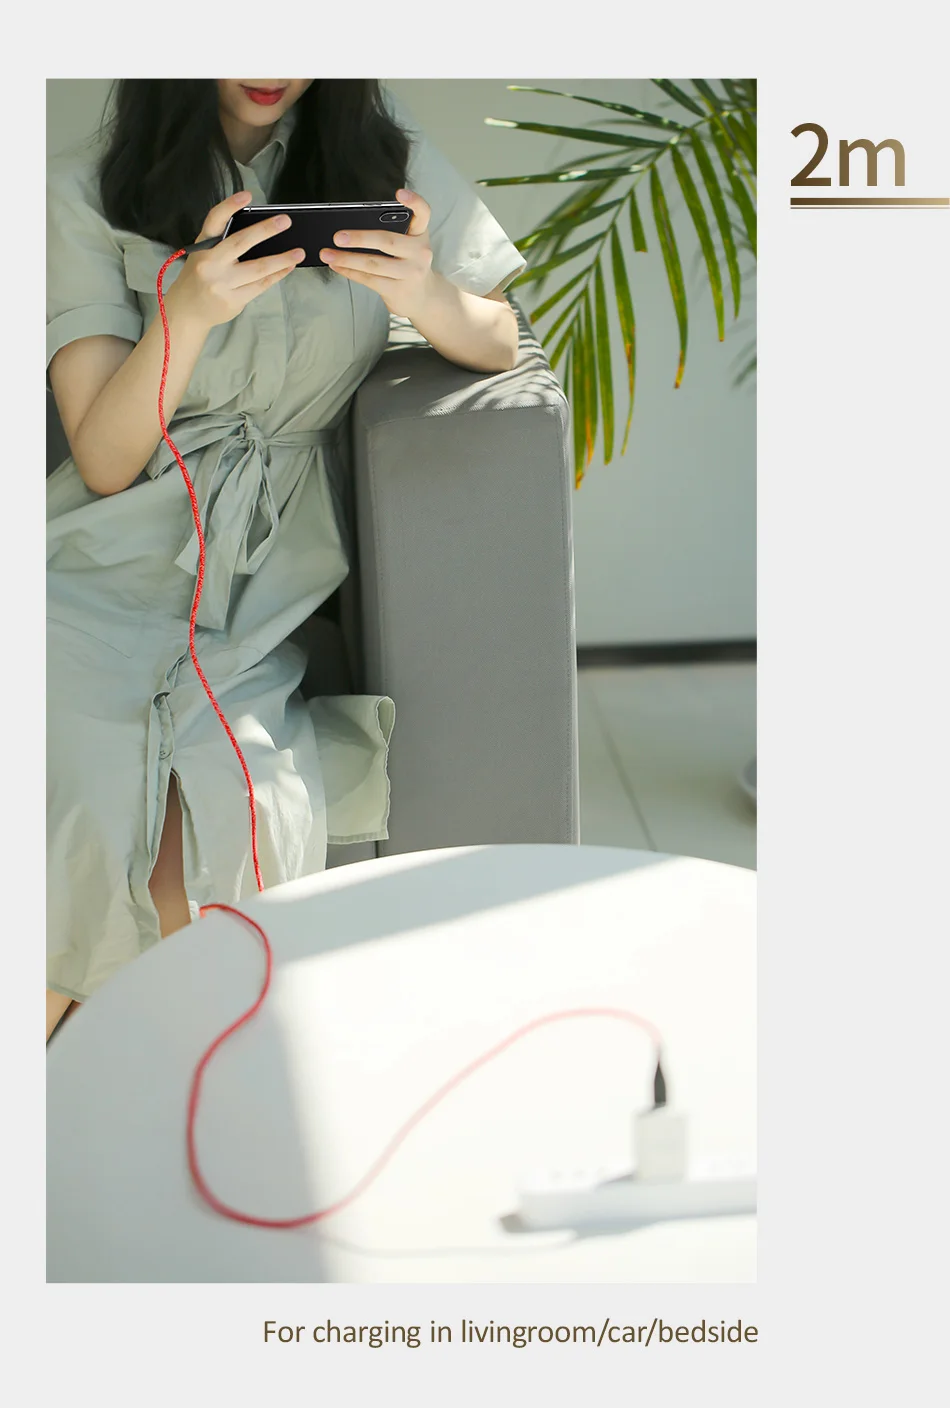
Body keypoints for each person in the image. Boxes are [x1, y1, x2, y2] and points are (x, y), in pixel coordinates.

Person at [46, 79, 525, 1041]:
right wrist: (186, 311)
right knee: (88, 804)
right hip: (97, 565)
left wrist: (420, 292)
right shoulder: (81, 188)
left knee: (223, 822)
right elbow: (103, 460)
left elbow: (500, 337)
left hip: (263, 578)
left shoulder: (383, 159)